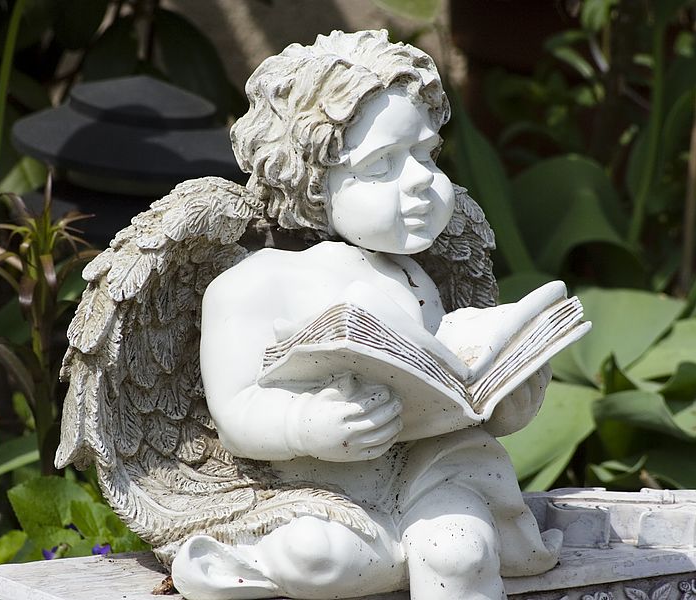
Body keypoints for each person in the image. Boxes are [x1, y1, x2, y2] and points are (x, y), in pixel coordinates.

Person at [171, 30, 561, 600]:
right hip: (316, 491)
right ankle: (244, 561)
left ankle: (417, 552)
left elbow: (439, 382)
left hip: (428, 472)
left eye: (427, 154)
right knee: (320, 558)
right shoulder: (259, 283)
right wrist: (310, 425)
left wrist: (499, 401)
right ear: (309, 175)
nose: (424, 181)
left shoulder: (414, 273)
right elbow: (236, 411)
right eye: (382, 166)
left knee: (461, 551)